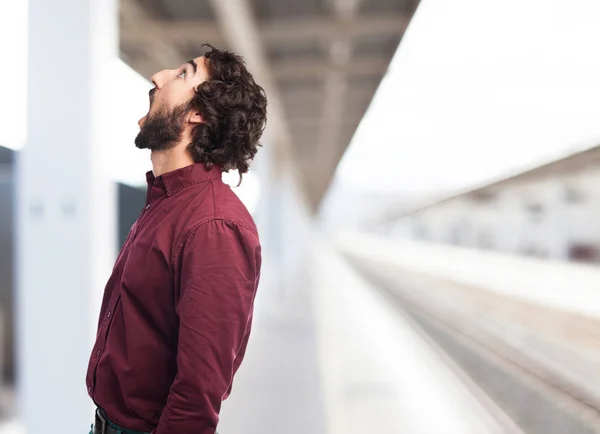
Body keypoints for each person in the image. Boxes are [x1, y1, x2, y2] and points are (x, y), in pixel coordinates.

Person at [86, 44, 267, 434]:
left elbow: (198, 395)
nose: (157, 77)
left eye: (183, 74)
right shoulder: (167, 202)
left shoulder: (214, 226)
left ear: (199, 113)